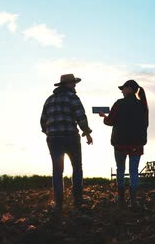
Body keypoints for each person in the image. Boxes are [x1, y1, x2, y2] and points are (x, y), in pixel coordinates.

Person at [41, 74, 93, 216]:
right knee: (77, 167)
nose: (75, 86)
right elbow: (80, 116)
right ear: (67, 85)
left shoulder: (49, 100)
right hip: (71, 137)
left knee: (57, 171)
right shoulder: (72, 97)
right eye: (73, 83)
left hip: (54, 140)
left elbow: (43, 121)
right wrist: (87, 132)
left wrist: (50, 133)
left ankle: (58, 204)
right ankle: (78, 201)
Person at [99, 79, 148, 208]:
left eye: (123, 88)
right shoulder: (142, 105)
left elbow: (110, 121)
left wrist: (104, 117)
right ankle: (133, 201)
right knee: (134, 171)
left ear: (130, 89)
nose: (121, 91)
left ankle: (121, 200)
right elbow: (145, 124)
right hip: (137, 144)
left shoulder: (119, 104)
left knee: (120, 170)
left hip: (120, 143)